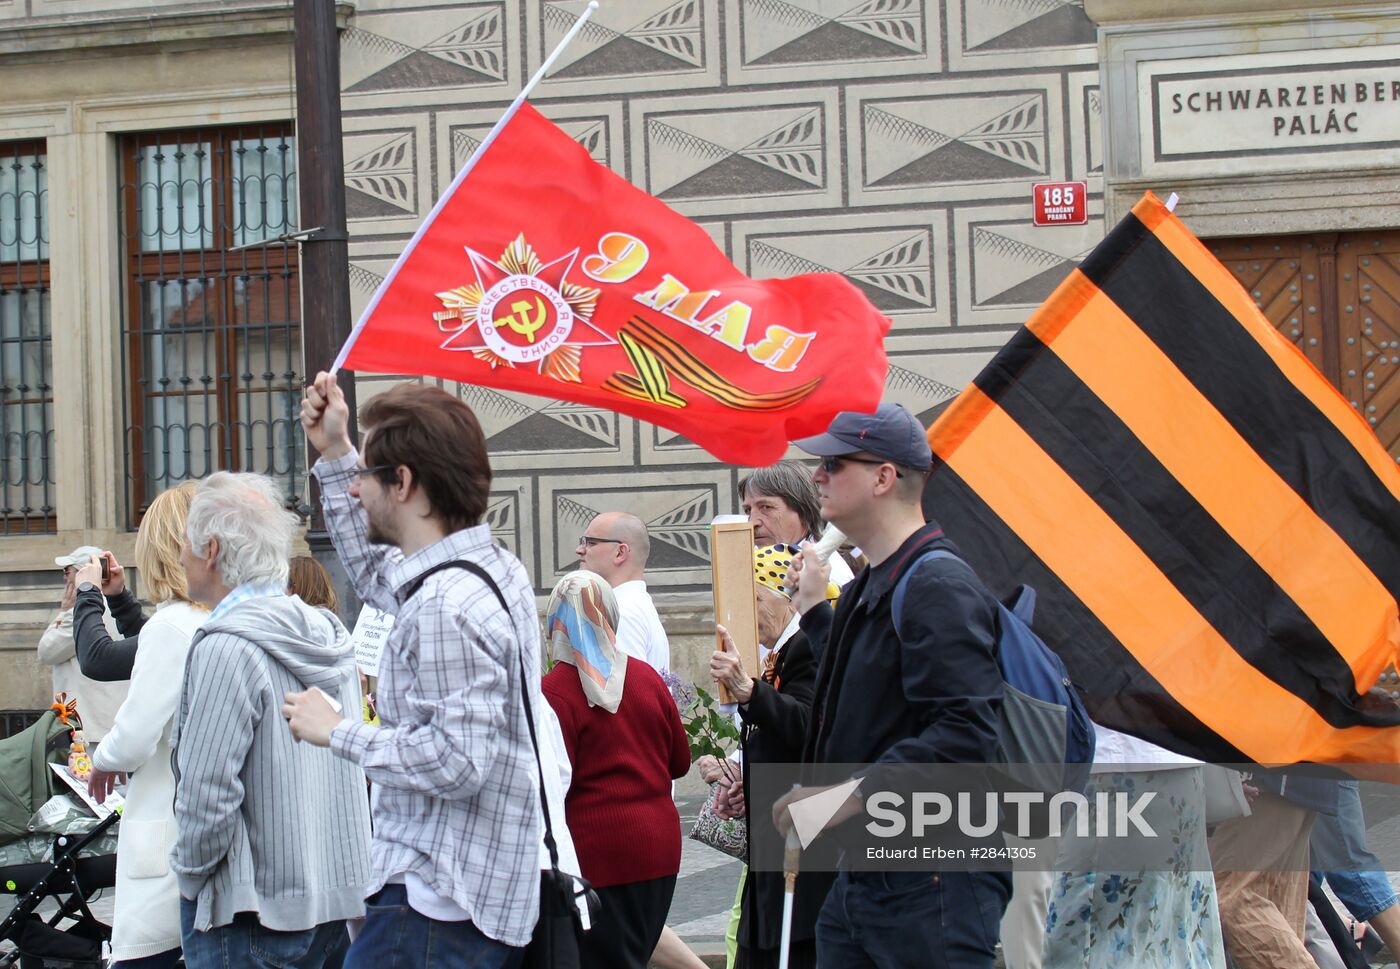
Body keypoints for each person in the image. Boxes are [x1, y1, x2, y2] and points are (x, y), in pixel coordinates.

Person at [288, 373, 542, 968]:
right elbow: (383, 576)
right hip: (452, 902)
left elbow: (457, 762)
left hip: (433, 910)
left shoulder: (443, 606)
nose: (356, 493)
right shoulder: (490, 570)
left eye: (367, 478)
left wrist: (337, 731)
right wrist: (335, 451)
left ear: (402, 482)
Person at [772, 402, 1010, 969]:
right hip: (869, 873)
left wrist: (841, 797)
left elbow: (965, 733)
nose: (816, 476)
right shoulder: (875, 581)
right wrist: (813, 612)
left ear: (883, 477)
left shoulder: (937, 583)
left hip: (932, 877)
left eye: (834, 463)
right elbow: (870, 690)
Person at [169, 472, 371, 969]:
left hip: (248, 912)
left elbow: (207, 791)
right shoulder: (330, 635)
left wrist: (190, 876)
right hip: (331, 905)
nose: (179, 557)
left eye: (185, 545)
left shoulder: (225, 647)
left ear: (211, 549)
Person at [541, 570, 691, 969]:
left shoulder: (553, 692)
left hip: (599, 855)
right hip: (660, 848)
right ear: (609, 615)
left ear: (555, 622)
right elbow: (680, 762)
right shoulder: (646, 678)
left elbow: (552, 783)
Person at [82, 483, 205, 969]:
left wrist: (104, 759)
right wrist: (119, 600)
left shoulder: (173, 626)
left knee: (149, 953)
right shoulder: (213, 620)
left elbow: (130, 732)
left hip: (168, 824)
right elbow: (151, 647)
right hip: (204, 833)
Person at [709, 545, 828, 969]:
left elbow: (807, 726)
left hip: (803, 843)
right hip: (773, 842)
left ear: (783, 599)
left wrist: (749, 690)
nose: (746, 611)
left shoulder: (807, 647)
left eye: (753, 598)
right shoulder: (780, 651)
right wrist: (746, 782)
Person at [37, 546, 128, 741]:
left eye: (67, 571)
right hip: (111, 723)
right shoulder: (116, 604)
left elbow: (46, 651)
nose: (65, 578)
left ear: (83, 573)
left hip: (88, 729)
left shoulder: (83, 610)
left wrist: (64, 611)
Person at [576, 511, 670, 672]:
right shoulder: (632, 605)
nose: (580, 550)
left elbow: (629, 692)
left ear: (620, 552)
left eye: (591, 543)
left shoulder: (622, 612)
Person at [739, 462, 853, 587]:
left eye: (766, 507)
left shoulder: (830, 577)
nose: (752, 522)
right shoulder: (750, 564)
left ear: (805, 512)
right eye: (748, 510)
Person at [70, 549, 148, 682]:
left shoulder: (172, 624)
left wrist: (87, 591)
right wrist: (119, 598)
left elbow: (96, 659)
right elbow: (145, 638)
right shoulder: (176, 620)